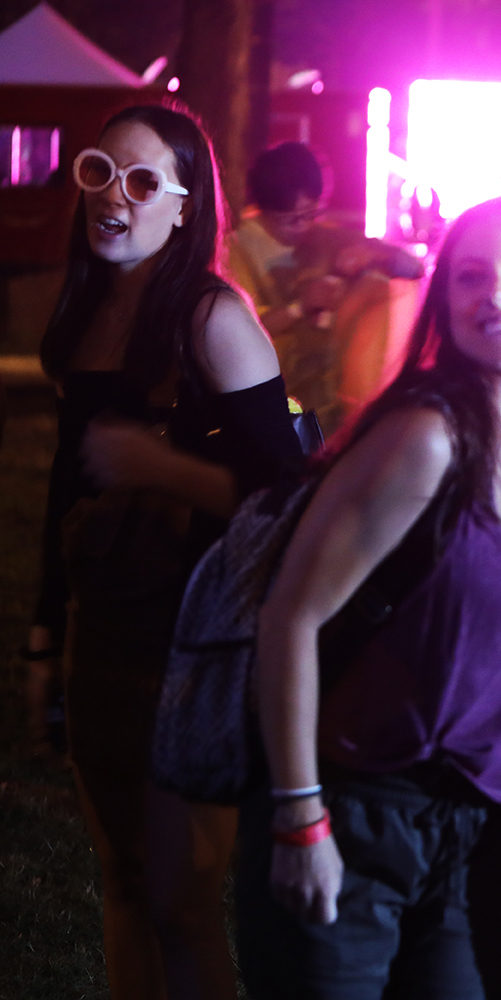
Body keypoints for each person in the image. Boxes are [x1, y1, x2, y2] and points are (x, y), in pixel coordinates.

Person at [236, 197, 501, 1000]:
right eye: (470, 277)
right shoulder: (426, 439)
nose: (497, 293)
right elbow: (290, 615)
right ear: (444, 301)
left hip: (464, 841)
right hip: (354, 817)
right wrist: (301, 818)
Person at [27, 102, 304, 1000]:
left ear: (185, 207)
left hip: (194, 646)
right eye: (101, 173)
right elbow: (66, 495)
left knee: (181, 905)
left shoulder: (213, 318)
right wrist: (44, 636)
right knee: (121, 882)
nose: (115, 197)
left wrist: (161, 466)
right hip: (99, 632)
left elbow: (288, 500)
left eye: (144, 182)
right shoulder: (87, 312)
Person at [229, 141, 423, 431]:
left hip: (334, 399)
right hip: (273, 406)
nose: (303, 226)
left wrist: (374, 255)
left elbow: (415, 269)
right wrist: (298, 308)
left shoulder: (326, 239)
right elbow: (235, 335)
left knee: (381, 287)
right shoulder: (235, 250)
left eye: (312, 214)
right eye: (290, 220)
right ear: (262, 209)